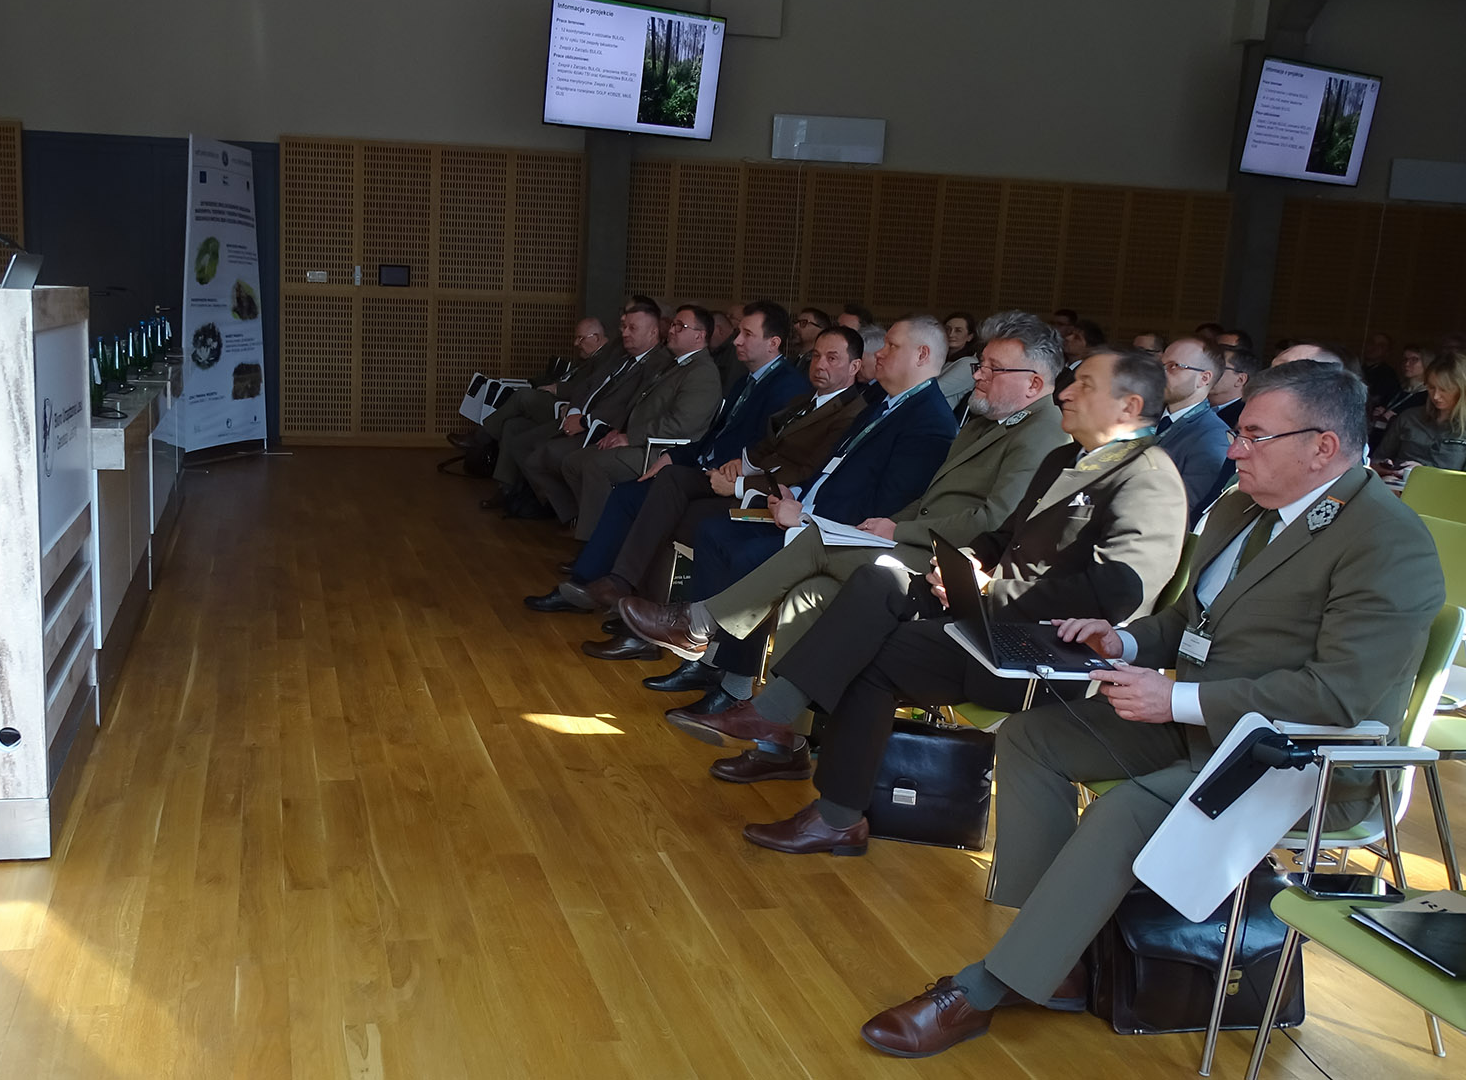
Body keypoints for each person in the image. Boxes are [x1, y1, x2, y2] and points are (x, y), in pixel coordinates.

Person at [858, 361, 1444, 1060]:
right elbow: (1195, 622)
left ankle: (992, 985)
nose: (1234, 449)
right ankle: (1055, 953)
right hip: (1202, 724)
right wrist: (1126, 640)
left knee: (1126, 811)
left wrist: (1176, 698)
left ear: (1322, 447)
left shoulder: (1386, 541)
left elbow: (1339, 697)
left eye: (1255, 436)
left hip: (1298, 758)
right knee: (1032, 739)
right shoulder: (1242, 509)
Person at [617, 312, 1071, 754]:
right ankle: (782, 742)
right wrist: (885, 526)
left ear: (1033, 383)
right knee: (807, 595)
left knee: (814, 542)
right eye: (981, 365)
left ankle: (698, 624)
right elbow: (931, 498)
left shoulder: (1040, 432)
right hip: (913, 541)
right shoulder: (988, 420)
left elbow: (992, 519)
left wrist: (897, 527)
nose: (978, 375)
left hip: (944, 563)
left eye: (993, 368)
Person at [574, 326, 868, 658]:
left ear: (855, 367)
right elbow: (766, 447)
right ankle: (623, 586)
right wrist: (739, 464)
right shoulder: (805, 401)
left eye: (832, 358)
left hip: (772, 498)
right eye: (816, 356)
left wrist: (740, 484)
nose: (820, 364)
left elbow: (807, 472)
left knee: (675, 517)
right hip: (749, 477)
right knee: (670, 479)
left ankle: (646, 630)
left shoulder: (850, 415)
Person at [525, 303, 809, 612]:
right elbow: (712, 437)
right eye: (739, 332)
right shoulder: (746, 381)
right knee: (628, 495)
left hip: (730, 479)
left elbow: (771, 449)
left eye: (747, 334)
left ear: (773, 343)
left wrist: (731, 469)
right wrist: (674, 455)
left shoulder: (788, 387)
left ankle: (624, 593)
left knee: (661, 491)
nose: (736, 340)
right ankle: (588, 583)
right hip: (701, 469)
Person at [522, 305, 721, 535]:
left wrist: (630, 436)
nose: (671, 330)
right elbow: (638, 404)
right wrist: (619, 431)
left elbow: (680, 425)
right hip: (641, 439)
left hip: (660, 450)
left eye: (680, 326)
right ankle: (599, 529)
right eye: (673, 324)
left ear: (699, 335)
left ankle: (596, 539)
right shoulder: (676, 363)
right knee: (573, 462)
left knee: (593, 465)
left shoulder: (702, 373)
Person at [494, 304, 666, 517]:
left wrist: (585, 421)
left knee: (543, 456)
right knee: (522, 445)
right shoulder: (621, 356)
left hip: (599, 429)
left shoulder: (657, 364)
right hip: (577, 417)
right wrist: (575, 411)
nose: (624, 333)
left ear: (653, 332)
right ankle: (562, 510)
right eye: (624, 327)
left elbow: (629, 407)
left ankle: (568, 514)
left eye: (632, 328)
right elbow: (586, 385)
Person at [456, 317, 618, 468]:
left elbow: (588, 388)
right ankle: (506, 486)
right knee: (512, 425)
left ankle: (481, 437)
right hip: (560, 401)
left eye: (580, 338)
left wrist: (557, 389)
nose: (576, 343)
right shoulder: (588, 356)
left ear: (596, 338)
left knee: (523, 396)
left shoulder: (606, 359)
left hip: (566, 408)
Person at [1155, 337, 1232, 524]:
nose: (1160, 374)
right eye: (1160, 365)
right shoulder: (1142, 417)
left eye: (1173, 366)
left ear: (1204, 378)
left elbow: (1184, 511)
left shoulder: (1213, 437)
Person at [1375, 350, 1466, 474]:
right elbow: (1375, 461)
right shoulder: (1408, 417)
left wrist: (1423, 473)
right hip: (1396, 484)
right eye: (1431, 387)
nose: (1436, 396)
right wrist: (1389, 470)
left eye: (1444, 389)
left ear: (1462, 390)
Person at [1369, 343, 1430, 447]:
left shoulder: (1428, 396)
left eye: (1414, 359)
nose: (1407, 363)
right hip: (1378, 439)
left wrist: (1396, 419)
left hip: (1401, 445)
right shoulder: (1396, 388)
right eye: (1405, 359)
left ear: (1427, 362)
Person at [936, 312, 981, 411]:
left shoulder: (969, 364)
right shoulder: (942, 361)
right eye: (947, 329)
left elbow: (932, 391)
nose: (951, 334)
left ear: (970, 337)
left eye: (958, 330)